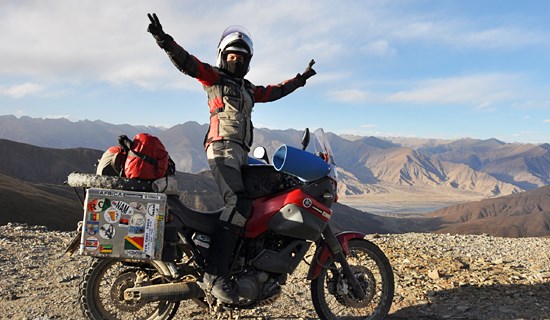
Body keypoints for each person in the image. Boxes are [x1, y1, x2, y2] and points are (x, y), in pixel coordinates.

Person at [147, 13, 316, 304]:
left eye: (241, 56)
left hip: (240, 154)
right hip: (221, 149)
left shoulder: (248, 89)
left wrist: (300, 80)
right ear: (223, 57)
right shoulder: (214, 78)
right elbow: (189, 63)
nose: (237, 61)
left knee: (263, 195)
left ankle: (246, 261)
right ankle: (215, 275)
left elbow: (274, 91)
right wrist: (165, 41)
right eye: (232, 56)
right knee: (237, 204)